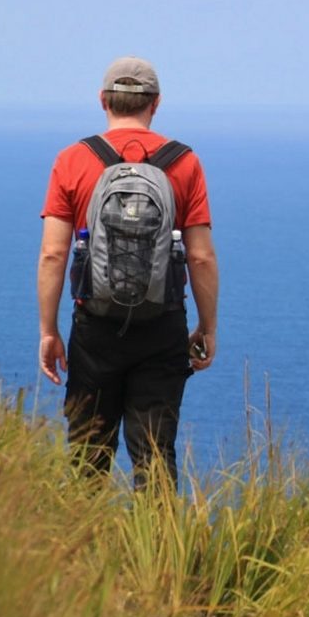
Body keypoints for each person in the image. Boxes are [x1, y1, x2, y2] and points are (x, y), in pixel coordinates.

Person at [37, 56, 218, 488]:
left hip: (94, 327)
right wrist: (207, 326)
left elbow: (53, 255)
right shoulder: (185, 163)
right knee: (155, 456)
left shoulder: (72, 160)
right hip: (162, 325)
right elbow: (201, 258)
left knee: (87, 456)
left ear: (103, 101)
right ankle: (159, 553)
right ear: (155, 104)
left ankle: (78, 552)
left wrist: (49, 330)